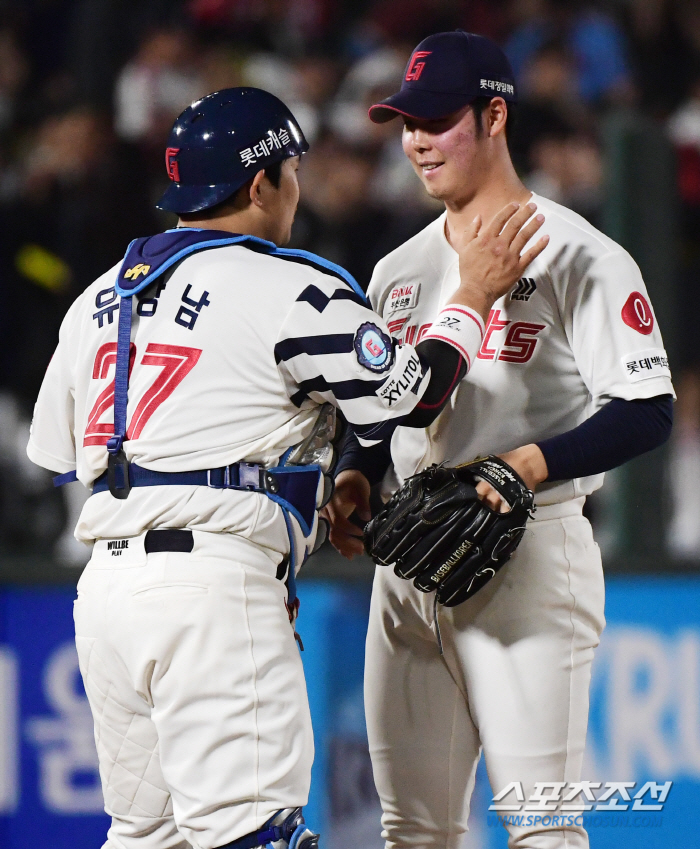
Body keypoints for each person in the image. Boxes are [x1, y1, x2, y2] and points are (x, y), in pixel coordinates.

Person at [25, 86, 547, 849]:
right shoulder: (289, 285)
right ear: (261, 180)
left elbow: (57, 452)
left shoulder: (98, 299)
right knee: (254, 835)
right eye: (290, 169)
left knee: (146, 836)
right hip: (211, 586)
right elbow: (414, 395)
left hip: (104, 592)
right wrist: (472, 292)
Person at [324, 31, 675, 849]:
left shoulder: (581, 253)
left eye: (436, 120)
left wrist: (531, 461)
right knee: (412, 832)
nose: (414, 140)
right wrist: (352, 474)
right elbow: (382, 415)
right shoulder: (397, 270)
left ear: (493, 115)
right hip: (409, 562)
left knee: (542, 829)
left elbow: (647, 406)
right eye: (404, 121)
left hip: (527, 552)